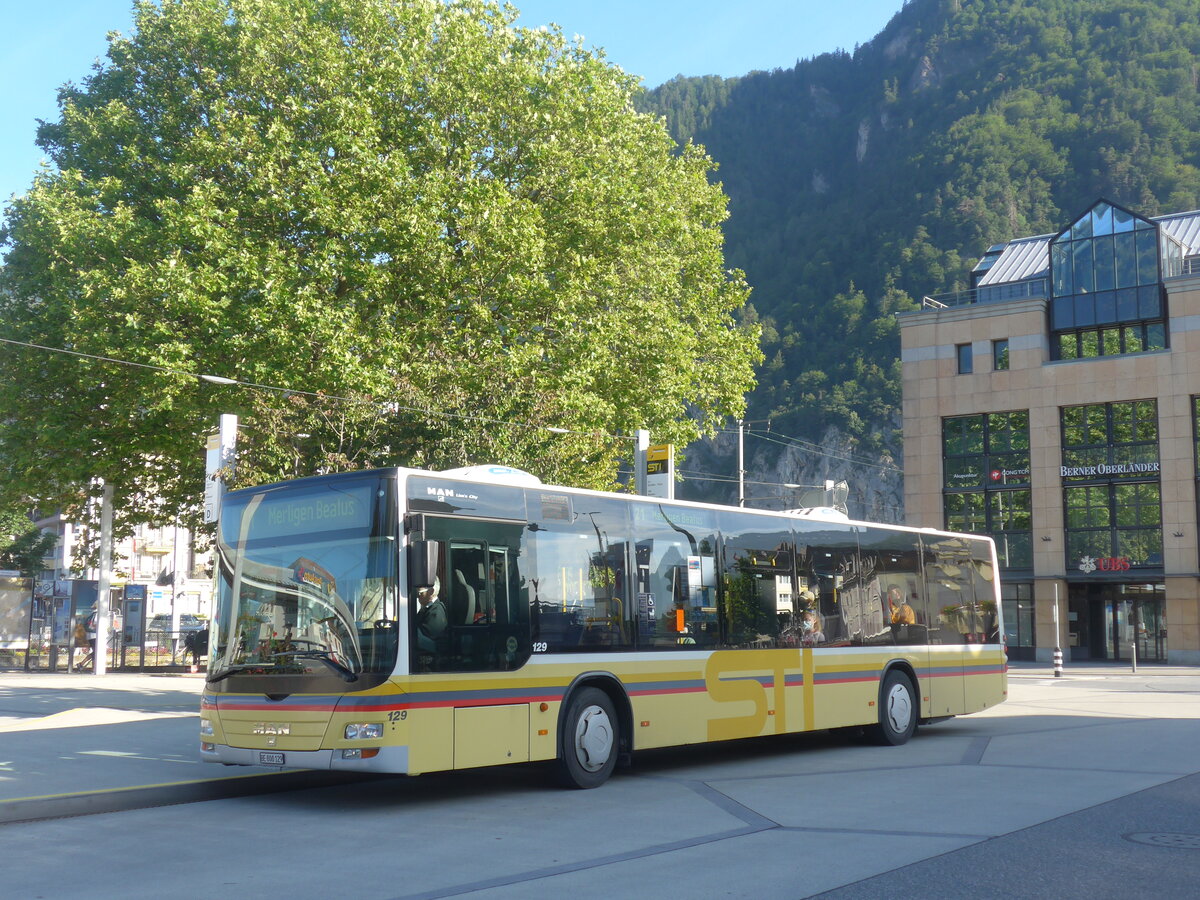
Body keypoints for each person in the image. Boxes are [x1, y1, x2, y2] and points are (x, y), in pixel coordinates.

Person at [415, 577, 447, 652]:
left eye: (420, 593)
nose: (417, 596)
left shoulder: (436, 612)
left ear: (431, 592)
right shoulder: (427, 609)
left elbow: (425, 641)